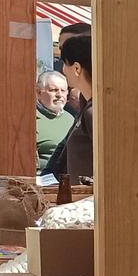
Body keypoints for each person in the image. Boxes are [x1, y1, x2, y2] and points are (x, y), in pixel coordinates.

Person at [56, 33, 94, 183]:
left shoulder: (93, 113)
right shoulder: (87, 107)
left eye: (65, 63)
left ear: (77, 68)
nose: (63, 69)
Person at [35, 69, 74, 175]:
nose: (59, 95)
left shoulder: (71, 119)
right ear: (38, 93)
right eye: (53, 90)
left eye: (63, 90)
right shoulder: (31, 120)